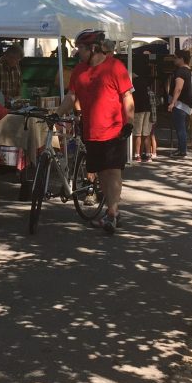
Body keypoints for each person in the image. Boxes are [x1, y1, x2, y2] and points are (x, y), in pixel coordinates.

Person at [57, 28, 134, 234]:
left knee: (113, 170)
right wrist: (57, 114)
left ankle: (112, 213)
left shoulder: (115, 67)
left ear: (93, 48)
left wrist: (129, 121)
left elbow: (127, 96)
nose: (78, 52)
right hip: (91, 131)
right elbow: (71, 96)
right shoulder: (79, 70)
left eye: (81, 48)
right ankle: (112, 212)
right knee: (101, 172)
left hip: (114, 128)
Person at [167, 49, 192, 159]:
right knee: (182, 128)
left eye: (175, 57)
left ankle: (182, 150)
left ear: (181, 59)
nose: (174, 60)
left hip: (180, 104)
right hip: (187, 104)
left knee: (180, 128)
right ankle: (182, 148)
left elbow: (178, 88)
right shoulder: (189, 70)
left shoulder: (181, 71)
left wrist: (172, 103)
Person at [131, 55, 155, 163]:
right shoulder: (146, 79)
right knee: (146, 132)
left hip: (138, 108)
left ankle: (137, 155)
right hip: (147, 108)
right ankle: (148, 154)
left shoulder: (134, 81)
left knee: (137, 133)